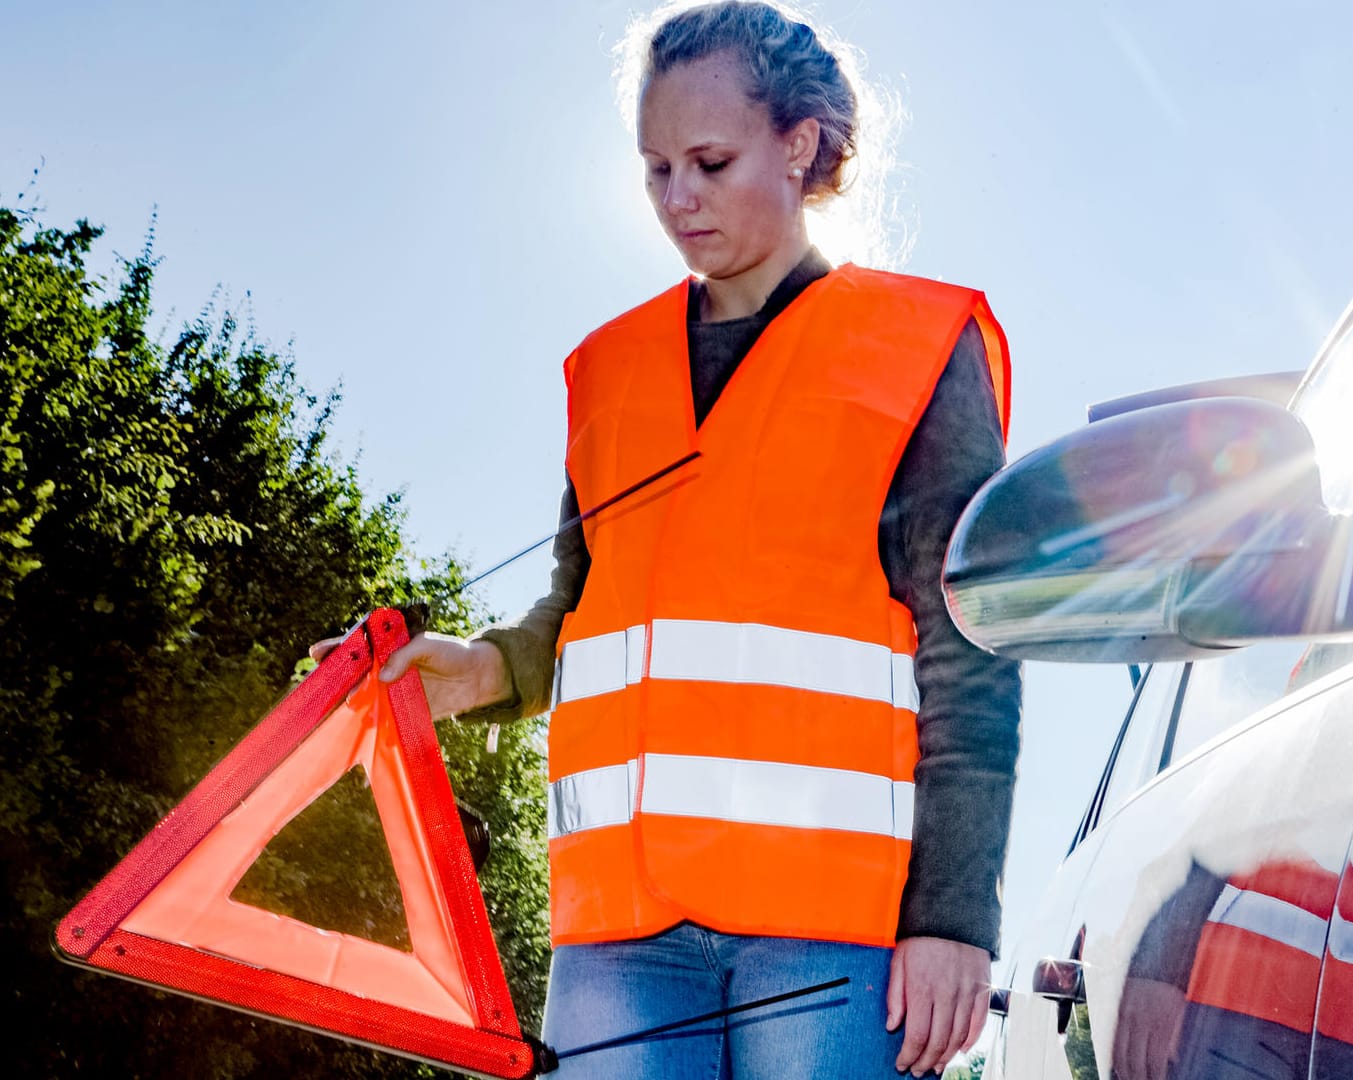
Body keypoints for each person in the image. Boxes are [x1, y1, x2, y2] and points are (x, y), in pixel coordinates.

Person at [316, 3, 1022, 1076]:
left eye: (708, 161)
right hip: (620, 931)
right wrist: (479, 670)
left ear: (799, 144)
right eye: (655, 169)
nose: (678, 199)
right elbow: (584, 606)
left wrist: (956, 920)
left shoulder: (919, 347)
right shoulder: (609, 372)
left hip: (831, 931)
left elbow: (970, 651)